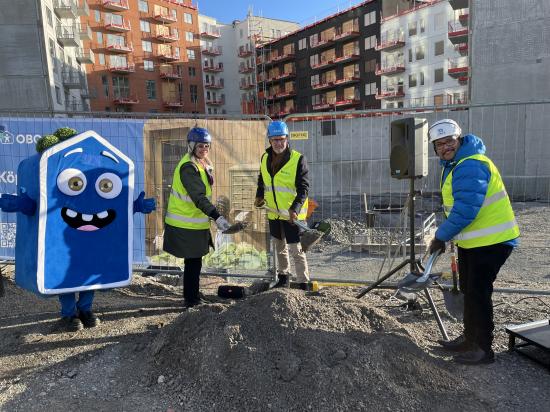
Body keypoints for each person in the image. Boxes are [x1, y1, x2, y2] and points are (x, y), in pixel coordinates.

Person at [427, 119, 519, 365]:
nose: (445, 147)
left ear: (459, 139)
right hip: (475, 242)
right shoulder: (457, 163)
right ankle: (469, 339)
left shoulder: (471, 165)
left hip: (492, 242)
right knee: (470, 290)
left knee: (478, 293)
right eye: (439, 144)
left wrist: (440, 236)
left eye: (449, 141)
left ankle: (482, 349)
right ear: (434, 148)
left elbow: (466, 210)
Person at [163, 127, 230, 308]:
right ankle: (191, 299)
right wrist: (217, 216)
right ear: (192, 146)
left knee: (195, 262)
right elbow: (199, 197)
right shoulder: (188, 167)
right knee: (193, 262)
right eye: (200, 146)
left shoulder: (201, 163)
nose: (204, 149)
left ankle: (192, 293)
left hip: (194, 222)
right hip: (185, 223)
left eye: (207, 146)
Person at [255, 120, 311, 291]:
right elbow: (261, 180)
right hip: (274, 213)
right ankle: (283, 278)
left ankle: (303, 282)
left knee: (296, 249)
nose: (279, 143)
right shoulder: (265, 158)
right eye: (275, 140)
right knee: (279, 246)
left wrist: (294, 208)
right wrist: (259, 195)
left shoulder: (298, 159)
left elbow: (304, 188)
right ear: (270, 141)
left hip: (291, 214)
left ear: (287, 139)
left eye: (282, 139)